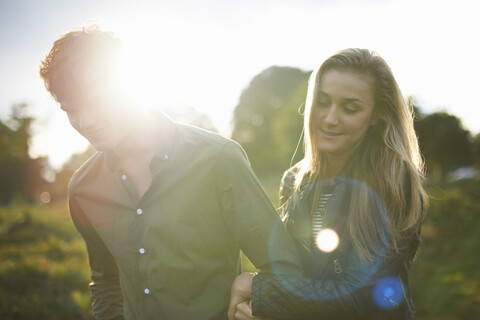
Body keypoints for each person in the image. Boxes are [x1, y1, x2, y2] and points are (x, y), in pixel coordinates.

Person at [39, 23, 303, 320]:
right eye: (69, 109)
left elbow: (285, 268)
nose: (83, 121)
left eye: (95, 101)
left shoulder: (218, 159)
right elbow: (106, 281)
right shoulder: (83, 190)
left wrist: (255, 300)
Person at [228, 48, 429, 319]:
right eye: (323, 102)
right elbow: (297, 277)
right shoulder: (294, 180)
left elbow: (362, 297)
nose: (330, 118)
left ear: (377, 115)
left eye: (350, 108)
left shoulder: (394, 181)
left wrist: (257, 288)